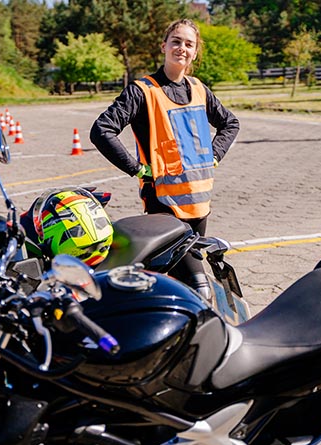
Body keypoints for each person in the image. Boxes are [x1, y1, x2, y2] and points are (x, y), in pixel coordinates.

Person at [90, 18, 240, 299]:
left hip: (199, 204)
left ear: (195, 52)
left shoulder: (199, 89)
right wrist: (136, 169)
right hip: (163, 205)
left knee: (172, 282)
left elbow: (230, 123)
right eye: (176, 41)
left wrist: (215, 154)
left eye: (189, 44)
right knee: (199, 286)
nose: (182, 48)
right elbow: (101, 130)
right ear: (163, 46)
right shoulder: (142, 91)